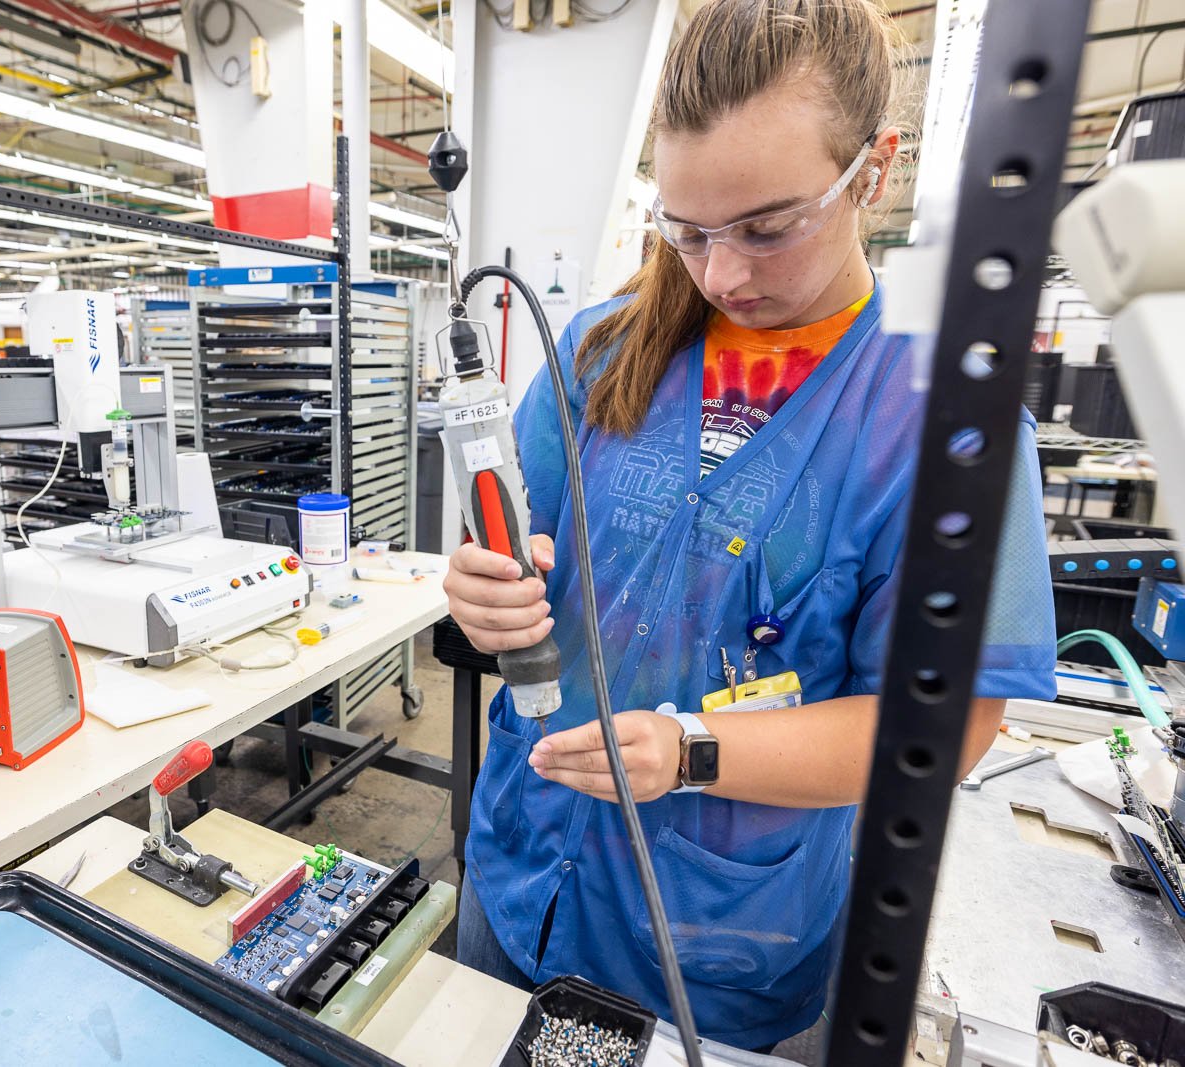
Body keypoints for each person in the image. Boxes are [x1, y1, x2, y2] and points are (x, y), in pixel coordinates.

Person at [443, 0, 1056, 1050]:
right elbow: (517, 540)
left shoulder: (942, 413)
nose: (722, 274)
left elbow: (951, 724)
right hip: (520, 871)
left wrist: (694, 749)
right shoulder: (598, 349)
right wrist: (483, 592)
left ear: (871, 171)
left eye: (767, 228)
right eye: (685, 231)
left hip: (714, 937)